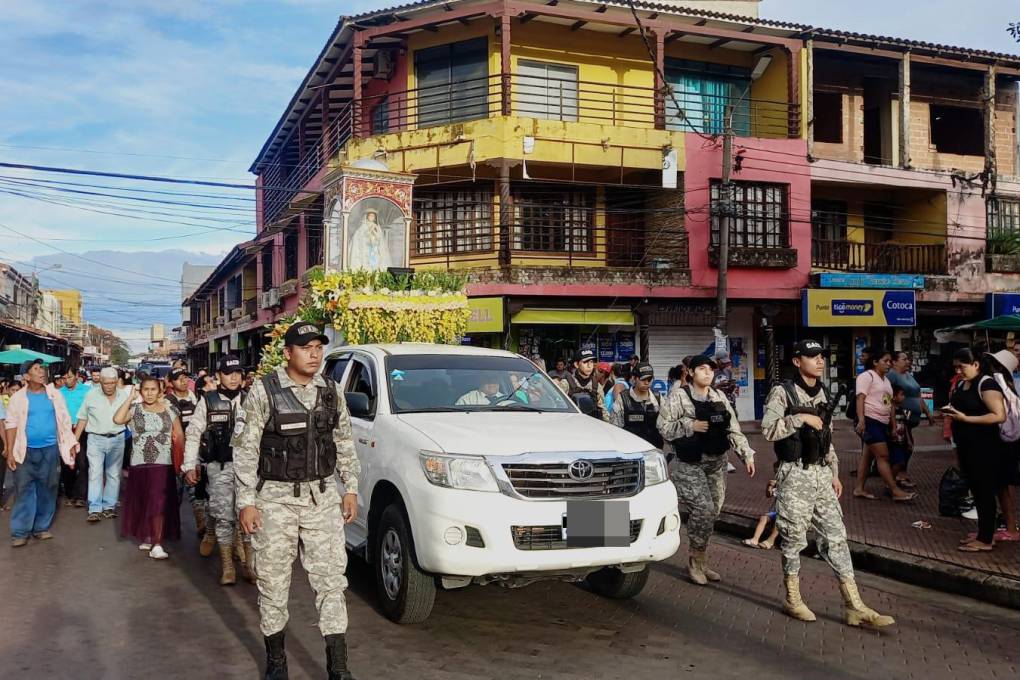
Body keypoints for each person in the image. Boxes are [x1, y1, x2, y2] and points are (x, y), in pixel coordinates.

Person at [234, 322, 361, 679]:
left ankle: (339, 668)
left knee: (332, 582)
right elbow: (245, 451)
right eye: (306, 348)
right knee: (273, 583)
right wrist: (246, 501)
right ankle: (277, 663)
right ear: (288, 352)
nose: (315, 354)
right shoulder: (264, 391)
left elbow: (344, 443)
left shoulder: (331, 392)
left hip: (321, 498)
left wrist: (350, 489)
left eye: (319, 347)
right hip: (274, 500)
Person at [761, 339, 894, 627]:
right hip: (794, 474)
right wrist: (801, 419)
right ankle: (793, 599)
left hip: (821, 474)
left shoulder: (823, 393)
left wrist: (833, 472)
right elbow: (768, 430)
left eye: (821, 356)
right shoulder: (782, 393)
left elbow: (827, 439)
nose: (820, 361)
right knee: (794, 538)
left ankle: (854, 605)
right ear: (797, 361)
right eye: (812, 357)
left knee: (836, 537)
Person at [657, 355, 754, 585]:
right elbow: (663, 426)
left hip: (716, 463)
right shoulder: (679, 396)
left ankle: (702, 559)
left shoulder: (718, 396)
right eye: (702, 369)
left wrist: (746, 454)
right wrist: (689, 425)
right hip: (690, 463)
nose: (708, 373)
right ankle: (694, 560)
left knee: (714, 511)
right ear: (690, 372)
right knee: (703, 509)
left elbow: (733, 429)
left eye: (711, 369)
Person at [183, 356, 253, 584]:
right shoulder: (208, 401)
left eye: (237, 373)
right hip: (218, 467)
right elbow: (193, 434)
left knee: (248, 514)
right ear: (219, 376)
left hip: (249, 469)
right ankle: (228, 565)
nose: (234, 377)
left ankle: (247, 563)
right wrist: (189, 465)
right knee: (224, 514)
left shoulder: (251, 400)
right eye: (228, 373)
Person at [4, 359, 79, 546]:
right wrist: (11, 451)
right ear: (26, 377)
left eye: (41, 368)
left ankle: (41, 527)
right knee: (23, 490)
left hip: (50, 449)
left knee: (48, 487)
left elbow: (64, 421)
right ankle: (20, 532)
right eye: (36, 369)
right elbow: (11, 424)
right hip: (25, 450)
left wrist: (69, 444)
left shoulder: (54, 395)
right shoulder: (18, 398)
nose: (41, 372)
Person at [943, 348, 1009, 552]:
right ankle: (983, 534)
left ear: (975, 365)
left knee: (984, 491)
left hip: (985, 447)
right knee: (977, 490)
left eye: (961, 367)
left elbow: (999, 415)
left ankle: (986, 539)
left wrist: (966, 419)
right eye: (955, 367)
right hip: (967, 446)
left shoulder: (986, 383)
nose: (958, 371)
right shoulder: (963, 383)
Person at [113, 375, 183, 560]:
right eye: (146, 389)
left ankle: (157, 543)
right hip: (139, 462)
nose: (149, 393)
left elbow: (179, 435)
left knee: (158, 502)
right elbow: (118, 419)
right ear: (141, 391)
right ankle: (148, 535)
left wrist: (181, 461)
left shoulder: (170, 410)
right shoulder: (135, 409)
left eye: (153, 389)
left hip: (163, 463)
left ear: (160, 391)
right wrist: (130, 397)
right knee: (143, 501)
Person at [852, 349, 915, 502]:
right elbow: (860, 398)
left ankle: (859, 488)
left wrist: (892, 426)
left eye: (889, 362)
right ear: (875, 362)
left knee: (867, 457)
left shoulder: (886, 381)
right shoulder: (866, 377)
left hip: (883, 422)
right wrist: (861, 420)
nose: (888, 364)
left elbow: (890, 404)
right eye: (885, 361)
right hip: (871, 420)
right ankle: (894, 490)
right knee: (883, 456)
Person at [74, 367, 130, 523]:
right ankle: (94, 508)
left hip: (118, 438)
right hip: (95, 439)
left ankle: (109, 506)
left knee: (113, 473)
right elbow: (82, 418)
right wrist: (75, 441)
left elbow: (130, 417)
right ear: (100, 382)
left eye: (113, 383)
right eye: (106, 383)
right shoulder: (91, 395)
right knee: (95, 473)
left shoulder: (123, 395)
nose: (110, 386)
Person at [166, 368, 211, 551]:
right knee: (174, 492)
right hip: (174, 454)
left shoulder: (198, 399)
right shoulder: (167, 402)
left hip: (195, 452)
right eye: (179, 379)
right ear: (171, 382)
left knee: (196, 492)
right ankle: (171, 527)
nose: (183, 381)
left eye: (186, 377)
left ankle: (202, 525)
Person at [887, 351, 933, 489]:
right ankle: (896, 477)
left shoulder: (909, 376)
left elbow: (918, 396)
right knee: (905, 447)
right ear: (894, 362)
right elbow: (888, 398)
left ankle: (900, 474)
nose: (908, 361)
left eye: (908, 359)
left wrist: (928, 413)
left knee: (907, 447)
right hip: (901, 419)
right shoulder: (892, 376)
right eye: (904, 359)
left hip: (911, 419)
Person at [58, 367, 91, 508]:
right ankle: (70, 494)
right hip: (65, 431)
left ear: (77, 376)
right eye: (64, 378)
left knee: (83, 462)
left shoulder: (87, 391)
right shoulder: (59, 393)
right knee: (67, 463)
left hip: (82, 430)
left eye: (70, 377)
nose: (67, 381)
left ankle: (81, 495)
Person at [609, 363, 663, 448]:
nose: (646, 382)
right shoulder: (623, 398)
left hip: (653, 450)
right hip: (630, 450)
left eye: (649, 379)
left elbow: (665, 426)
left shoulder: (658, 398)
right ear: (634, 378)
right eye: (643, 379)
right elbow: (614, 428)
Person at [556, 349, 608, 420]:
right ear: (576, 364)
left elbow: (603, 410)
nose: (589, 366)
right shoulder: (566, 383)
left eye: (591, 362)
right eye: (585, 362)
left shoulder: (597, 386)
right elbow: (558, 407)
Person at [743, 478, 779, 550]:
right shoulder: (780, 484)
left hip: (785, 514)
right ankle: (755, 539)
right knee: (764, 517)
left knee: (779, 520)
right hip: (776, 511)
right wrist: (769, 486)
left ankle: (771, 541)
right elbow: (769, 495)